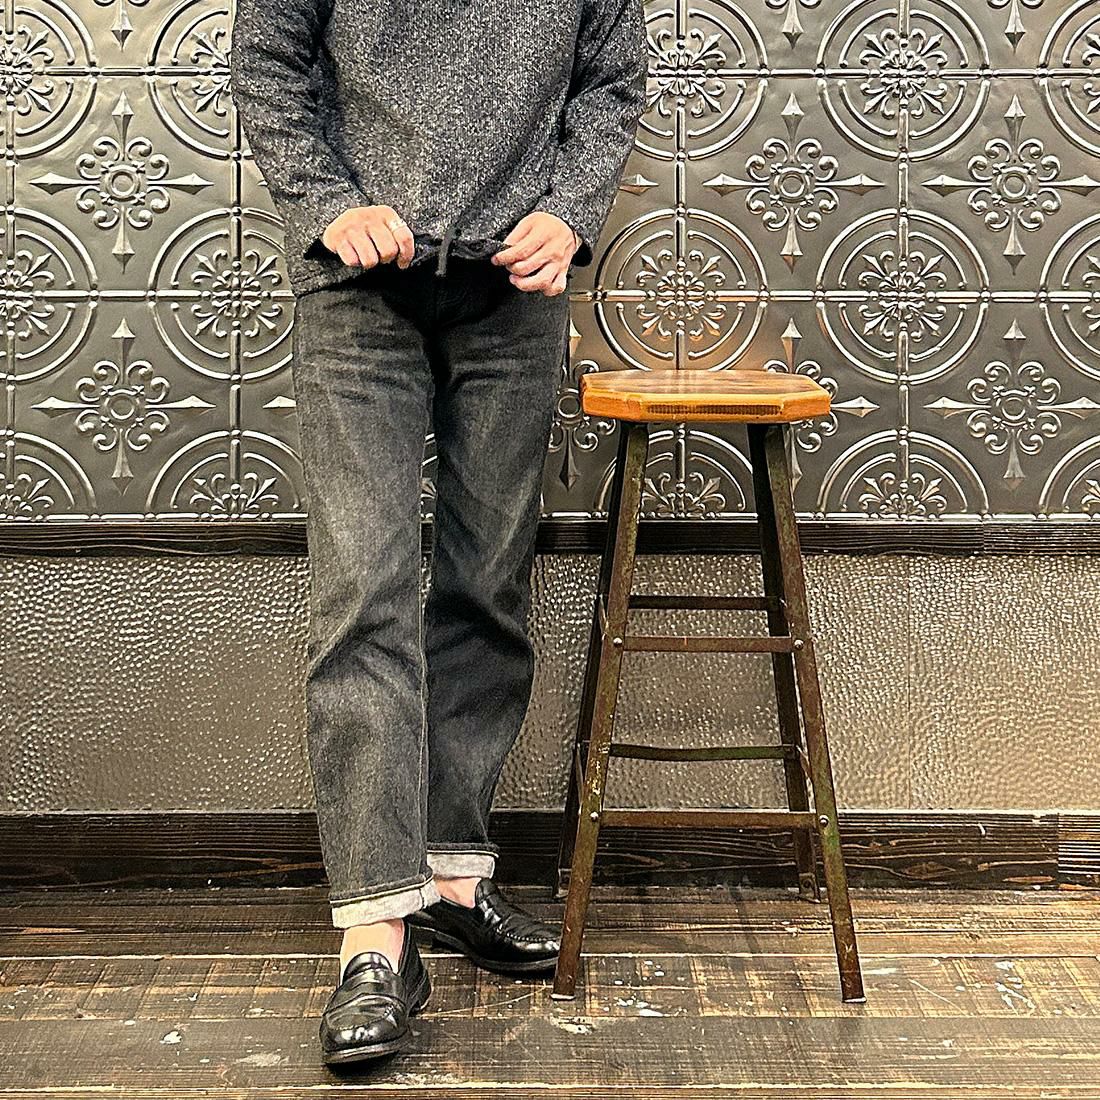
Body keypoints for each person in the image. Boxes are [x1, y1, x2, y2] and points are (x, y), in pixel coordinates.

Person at [229, 0, 648, 1066]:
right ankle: (375, 936)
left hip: (513, 291)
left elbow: (610, 79)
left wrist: (571, 210)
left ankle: (455, 877)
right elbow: (267, 58)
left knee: (484, 586)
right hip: (357, 290)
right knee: (361, 599)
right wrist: (328, 202)